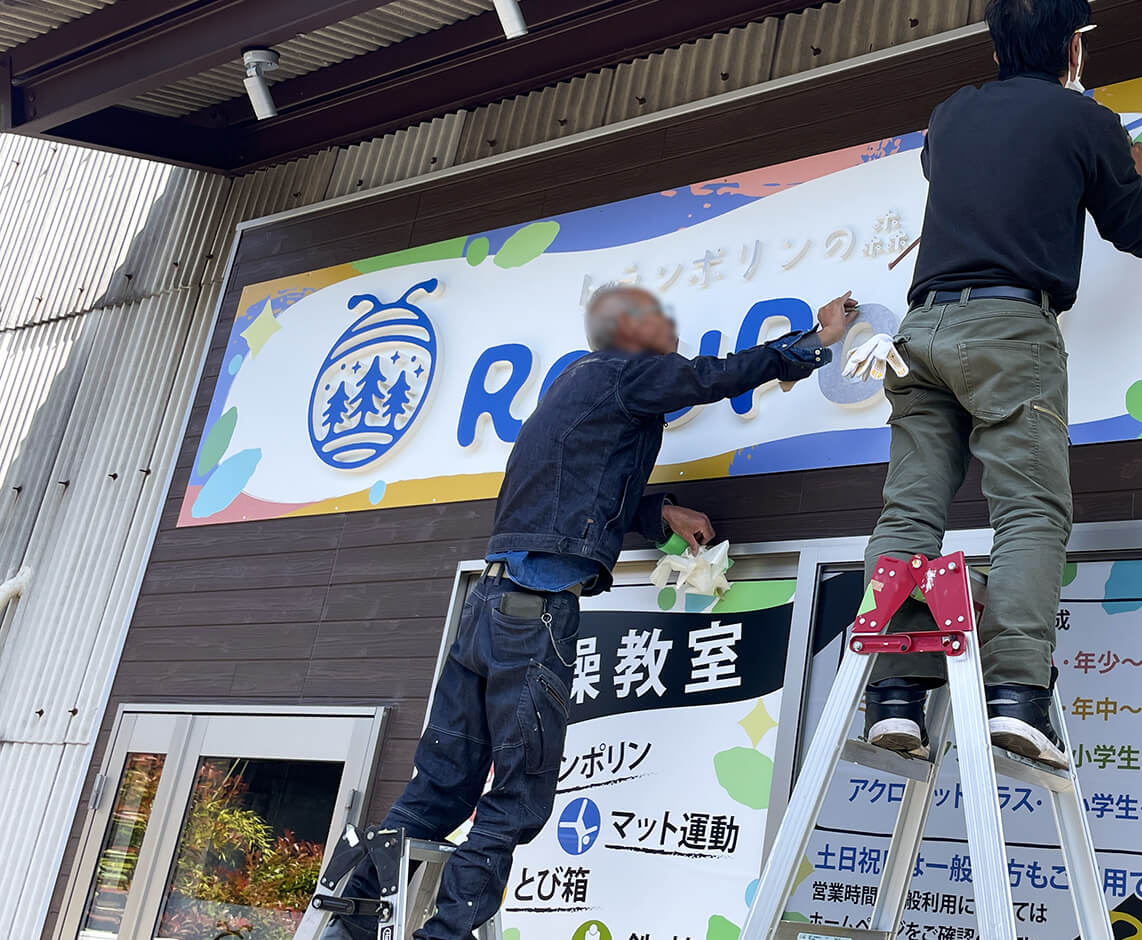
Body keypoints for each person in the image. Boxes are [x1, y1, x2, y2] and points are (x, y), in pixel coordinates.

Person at [328, 286, 858, 940]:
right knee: (516, 800)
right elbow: (708, 377)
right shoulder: (624, 371)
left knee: (433, 795)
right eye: (661, 326)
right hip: (536, 611)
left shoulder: (573, 386)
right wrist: (810, 342)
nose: (673, 337)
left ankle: (341, 930)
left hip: (486, 608)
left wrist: (657, 512)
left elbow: (582, 483)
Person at [861, 0, 1142, 769]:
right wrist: (1134, 173)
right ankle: (1016, 700)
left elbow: (947, 167)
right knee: (1029, 512)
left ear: (997, 47)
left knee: (908, 515)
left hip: (920, 329)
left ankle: (894, 697)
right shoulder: (1085, 120)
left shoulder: (951, 113)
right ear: (1072, 48)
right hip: (1007, 330)